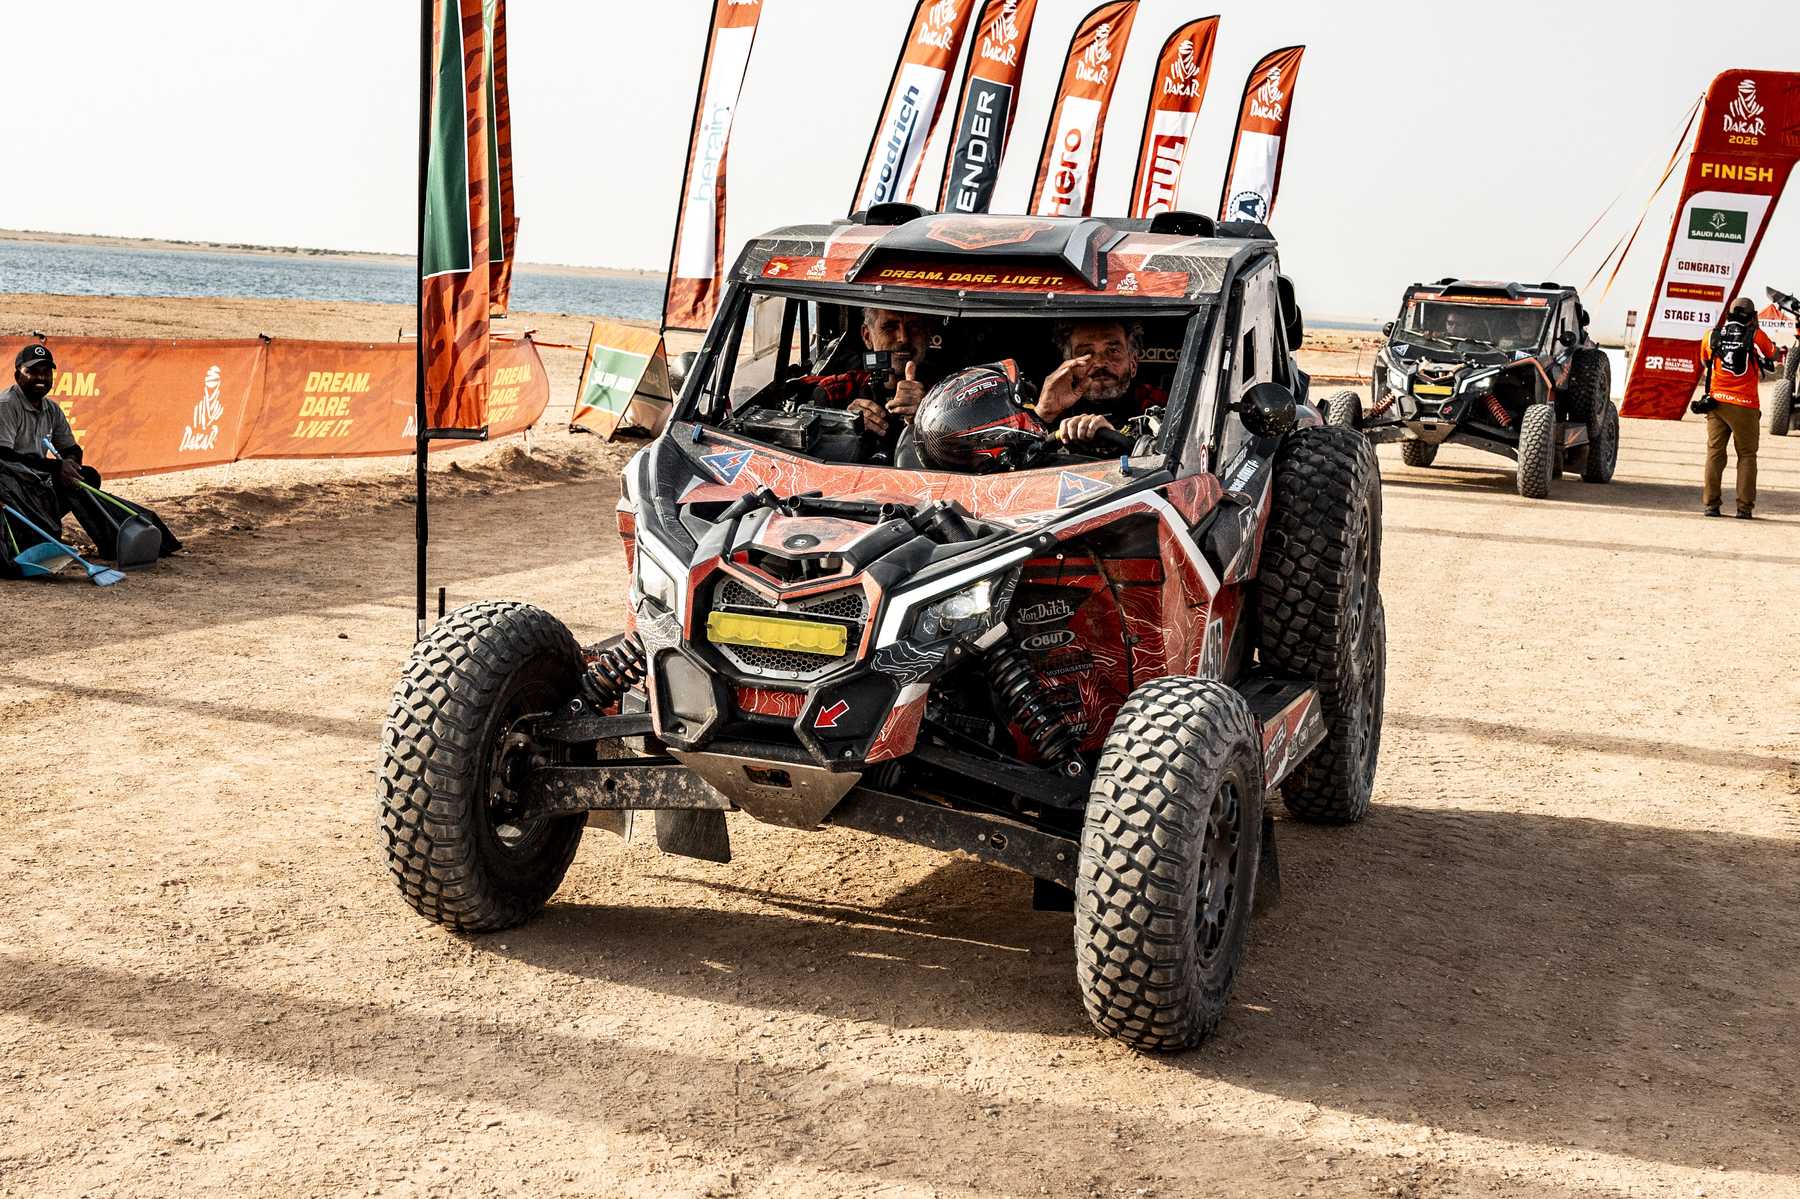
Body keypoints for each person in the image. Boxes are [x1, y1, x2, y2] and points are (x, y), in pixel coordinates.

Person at [0, 343, 180, 563]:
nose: (41, 378)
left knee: (87, 476)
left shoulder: (51, 409)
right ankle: (36, 532)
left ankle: (114, 542)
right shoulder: (7, 405)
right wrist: (57, 467)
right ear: (17, 375)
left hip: (36, 480)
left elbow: (71, 448)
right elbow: (4, 455)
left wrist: (70, 464)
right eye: (33, 372)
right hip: (11, 483)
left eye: (46, 372)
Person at [803, 308, 938, 438]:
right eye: (889, 327)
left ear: (927, 335)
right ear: (867, 336)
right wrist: (845, 424)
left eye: (914, 326)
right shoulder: (834, 392)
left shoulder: (944, 394)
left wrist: (929, 415)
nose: (904, 338)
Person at [1695, 296, 1773, 518]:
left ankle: (1711, 505)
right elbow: (1773, 354)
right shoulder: (1756, 335)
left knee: (1714, 453)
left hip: (1716, 403)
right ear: (1753, 316)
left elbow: (1705, 362)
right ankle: (1744, 508)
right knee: (1747, 455)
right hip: (1745, 405)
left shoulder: (1712, 335)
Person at [1034, 318, 1166, 443]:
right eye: (1086, 353)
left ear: (1133, 363)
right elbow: (1024, 453)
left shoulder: (1158, 403)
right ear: (1068, 365)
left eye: (1113, 351)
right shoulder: (1049, 407)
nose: (1100, 362)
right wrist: (1043, 415)